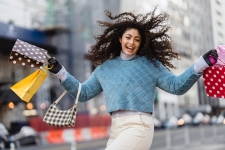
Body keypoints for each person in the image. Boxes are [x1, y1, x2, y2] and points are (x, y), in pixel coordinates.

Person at [46, 7, 218, 150]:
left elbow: (176, 86)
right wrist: (60, 72)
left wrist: (202, 63)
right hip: (116, 129)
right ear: (120, 38)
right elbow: (83, 93)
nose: (131, 42)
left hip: (139, 126)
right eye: (128, 37)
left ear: (141, 43)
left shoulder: (150, 65)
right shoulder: (105, 68)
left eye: (137, 39)